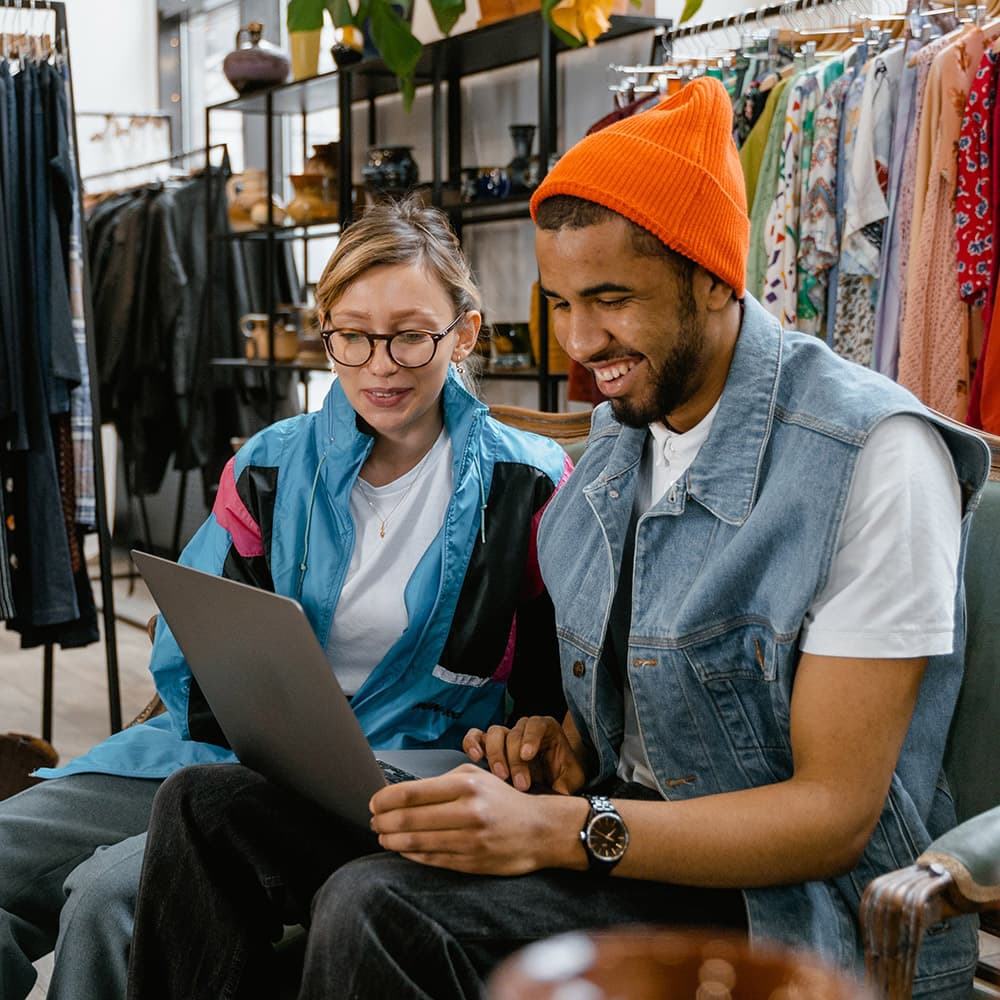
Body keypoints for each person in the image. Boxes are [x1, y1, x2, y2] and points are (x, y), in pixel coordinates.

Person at [126, 79, 991, 1000]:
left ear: (712, 274)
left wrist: (562, 829)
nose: (582, 344)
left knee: (377, 905)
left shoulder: (872, 457)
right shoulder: (626, 431)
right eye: (561, 303)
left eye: (611, 299)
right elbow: (631, 710)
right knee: (206, 809)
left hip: (775, 899)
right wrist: (556, 747)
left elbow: (834, 817)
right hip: (612, 831)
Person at [0, 197, 570, 1000]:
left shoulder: (530, 483)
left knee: (105, 898)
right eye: (351, 334)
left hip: (394, 781)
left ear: (465, 333)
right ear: (325, 330)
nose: (380, 363)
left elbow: (562, 684)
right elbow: (194, 648)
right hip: (220, 755)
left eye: (410, 334)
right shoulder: (271, 464)